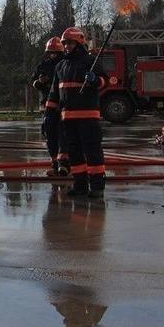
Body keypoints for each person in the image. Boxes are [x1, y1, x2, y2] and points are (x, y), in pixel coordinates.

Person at [46, 27, 107, 198]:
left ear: (79, 44)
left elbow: (106, 82)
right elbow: (54, 93)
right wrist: (49, 114)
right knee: (74, 154)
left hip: (88, 118)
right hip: (68, 119)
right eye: (65, 44)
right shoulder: (60, 66)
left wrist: (95, 80)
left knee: (92, 152)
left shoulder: (90, 62)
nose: (66, 47)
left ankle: (96, 186)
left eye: (70, 43)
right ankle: (80, 185)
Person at [32, 37, 69, 176]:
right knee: (49, 134)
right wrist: (39, 82)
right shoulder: (43, 65)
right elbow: (33, 80)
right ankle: (54, 164)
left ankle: (64, 165)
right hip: (47, 104)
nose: (52, 55)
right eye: (50, 52)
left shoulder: (65, 64)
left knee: (63, 134)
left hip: (63, 105)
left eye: (55, 52)